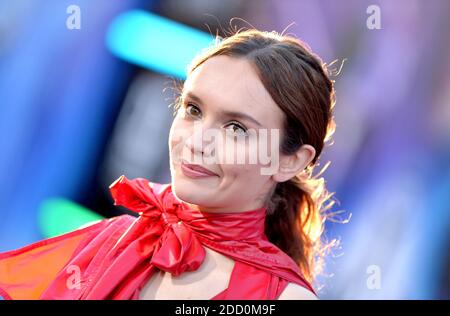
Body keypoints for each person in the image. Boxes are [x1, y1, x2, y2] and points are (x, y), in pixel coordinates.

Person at [0, 28, 336, 300]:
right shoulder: (109, 241)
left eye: (236, 128)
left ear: (290, 160)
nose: (197, 141)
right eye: (193, 110)